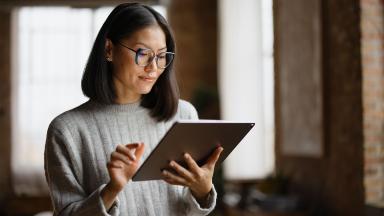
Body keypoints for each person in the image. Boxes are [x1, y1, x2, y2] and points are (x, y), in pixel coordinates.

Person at [44, 2, 223, 216]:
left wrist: (202, 191)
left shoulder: (183, 115)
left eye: (162, 55)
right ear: (109, 49)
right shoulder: (67, 130)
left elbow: (188, 210)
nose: (153, 67)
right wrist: (113, 189)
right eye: (143, 53)